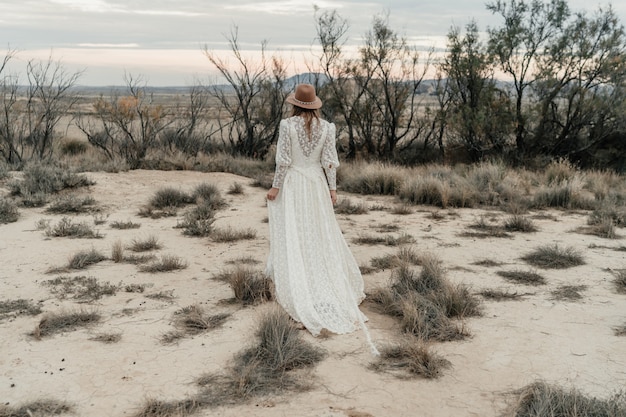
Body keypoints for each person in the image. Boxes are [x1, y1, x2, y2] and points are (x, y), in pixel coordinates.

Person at [265, 83, 378, 355]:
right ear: (315, 104)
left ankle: (301, 281)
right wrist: (332, 189)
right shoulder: (328, 128)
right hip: (315, 183)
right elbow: (329, 162)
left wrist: (275, 187)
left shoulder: (287, 126)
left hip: (293, 183)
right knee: (317, 231)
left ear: (295, 104)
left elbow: (284, 161)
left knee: (296, 231)